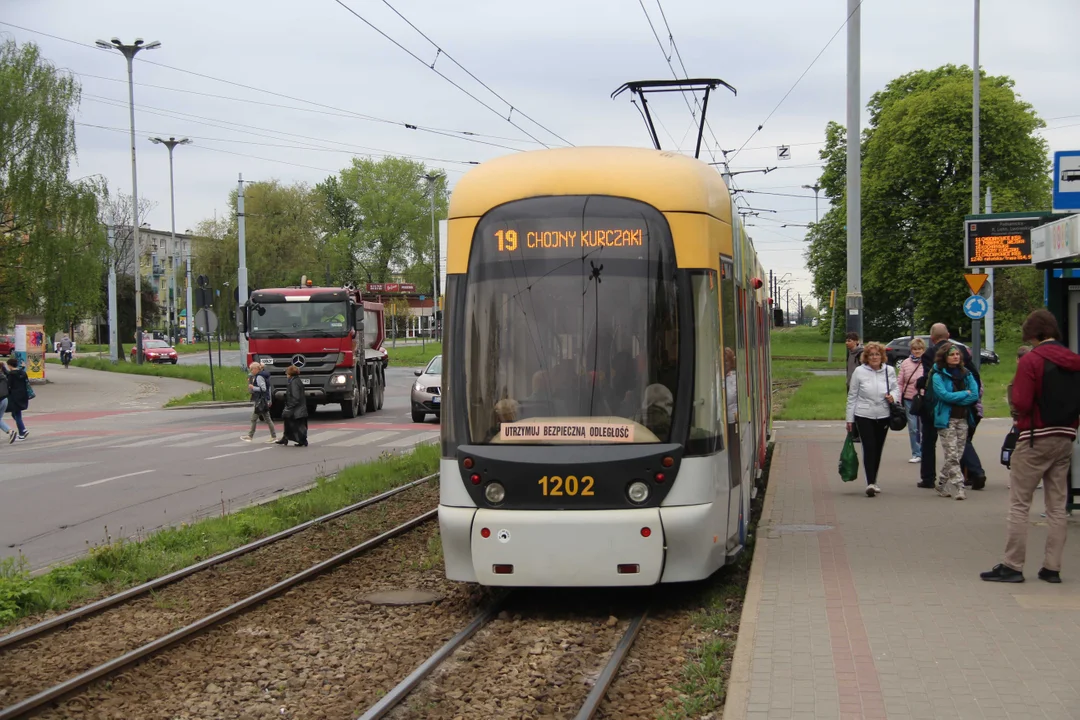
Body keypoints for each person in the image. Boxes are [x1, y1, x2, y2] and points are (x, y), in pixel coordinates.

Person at [981, 310, 1080, 584]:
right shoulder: (1074, 361)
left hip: (1035, 436)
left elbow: (1022, 402)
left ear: (1031, 333)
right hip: (1065, 437)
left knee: (1020, 503)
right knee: (1057, 506)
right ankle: (1052, 568)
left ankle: (1012, 565)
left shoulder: (1032, 360)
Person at [916, 323, 986, 490]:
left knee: (929, 441)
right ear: (948, 334)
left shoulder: (929, 355)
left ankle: (928, 477)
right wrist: (970, 398)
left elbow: (929, 381)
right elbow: (974, 375)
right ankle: (974, 472)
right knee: (963, 440)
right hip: (964, 404)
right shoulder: (962, 350)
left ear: (931, 339)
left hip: (938, 406)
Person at [845, 341, 897, 497]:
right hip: (864, 414)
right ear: (866, 357)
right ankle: (870, 483)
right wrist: (849, 419)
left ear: (882, 356)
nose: (875, 357)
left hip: (883, 414)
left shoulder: (889, 370)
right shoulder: (859, 372)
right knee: (869, 447)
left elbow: (896, 388)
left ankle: (874, 480)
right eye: (871, 355)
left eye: (877, 354)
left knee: (878, 448)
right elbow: (852, 396)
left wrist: (893, 397)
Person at [930, 343, 979, 500]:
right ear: (945, 357)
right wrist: (964, 393)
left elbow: (974, 395)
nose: (956, 357)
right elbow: (944, 395)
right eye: (952, 354)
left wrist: (959, 399)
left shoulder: (967, 373)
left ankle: (942, 483)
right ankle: (959, 487)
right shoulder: (938, 375)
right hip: (946, 420)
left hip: (963, 418)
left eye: (957, 354)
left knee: (957, 454)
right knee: (951, 454)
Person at [896, 338, 926, 464]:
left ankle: (926, 452)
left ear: (923, 350)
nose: (917, 351)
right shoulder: (905, 363)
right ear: (911, 350)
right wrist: (898, 399)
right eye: (915, 349)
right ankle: (916, 453)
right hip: (909, 399)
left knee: (924, 427)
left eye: (919, 349)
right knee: (913, 427)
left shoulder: (927, 362)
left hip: (924, 399)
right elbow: (900, 382)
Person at [241, 362, 278, 443]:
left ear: (256, 369)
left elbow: (263, 389)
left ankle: (250, 436)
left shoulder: (259, 377)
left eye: (251, 369)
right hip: (264, 400)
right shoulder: (264, 375)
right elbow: (268, 388)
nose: (251, 371)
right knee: (267, 419)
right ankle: (273, 436)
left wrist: (253, 387)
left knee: (254, 419)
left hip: (261, 401)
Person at [276, 365, 308, 447]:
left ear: (290, 374)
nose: (286, 375)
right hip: (298, 408)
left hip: (296, 408)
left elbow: (295, 396)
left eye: (287, 373)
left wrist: (290, 406)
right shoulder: (296, 380)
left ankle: (302, 440)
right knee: (289, 424)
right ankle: (286, 438)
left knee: (296, 425)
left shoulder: (294, 382)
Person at [2, 358, 30, 443]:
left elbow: (8, 385)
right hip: (23, 395)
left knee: (17, 416)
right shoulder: (22, 373)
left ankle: (22, 434)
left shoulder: (11, 375)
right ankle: (23, 429)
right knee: (15, 414)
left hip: (15, 397)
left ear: (10, 365)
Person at [845, 332, 864, 442]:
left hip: (858, 387)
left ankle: (858, 434)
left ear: (856, 341)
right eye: (846, 340)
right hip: (850, 385)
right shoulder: (850, 353)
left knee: (858, 409)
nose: (847, 343)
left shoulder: (860, 353)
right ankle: (853, 433)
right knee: (851, 409)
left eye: (850, 340)